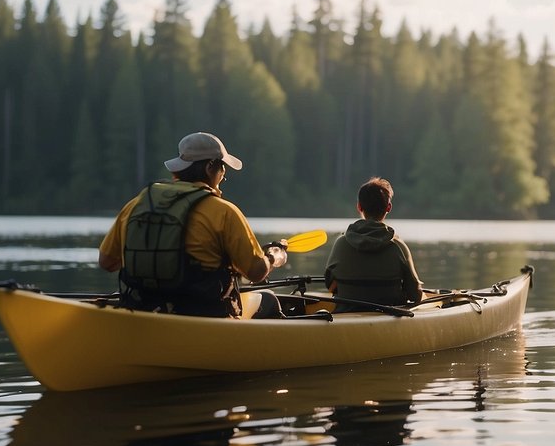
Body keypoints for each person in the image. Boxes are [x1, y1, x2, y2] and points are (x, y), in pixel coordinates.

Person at [98, 132, 287, 318]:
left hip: (142, 314)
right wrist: (272, 258)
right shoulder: (224, 212)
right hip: (204, 322)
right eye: (222, 167)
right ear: (210, 168)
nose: (223, 174)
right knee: (268, 300)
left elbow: (107, 262)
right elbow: (255, 272)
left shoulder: (138, 204)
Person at [324, 176, 423, 312]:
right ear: (388, 207)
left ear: (359, 206)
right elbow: (415, 295)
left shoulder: (341, 244)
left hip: (346, 315)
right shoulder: (398, 246)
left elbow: (330, 286)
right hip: (388, 316)